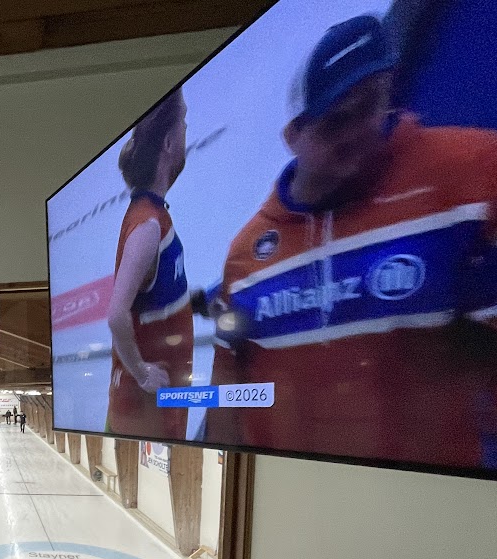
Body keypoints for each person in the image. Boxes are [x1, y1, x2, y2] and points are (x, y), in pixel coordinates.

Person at [208, 15, 497, 468]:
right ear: (293, 136)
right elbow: (231, 384)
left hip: (433, 500)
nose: (356, 134)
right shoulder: (246, 255)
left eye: (368, 107)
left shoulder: (468, 170)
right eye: (334, 121)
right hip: (287, 498)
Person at [104, 86, 193, 443]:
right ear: (169, 142)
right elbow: (116, 314)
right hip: (147, 416)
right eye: (184, 122)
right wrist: (141, 373)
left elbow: (151, 299)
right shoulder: (148, 224)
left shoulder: (147, 216)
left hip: (148, 412)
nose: (187, 130)